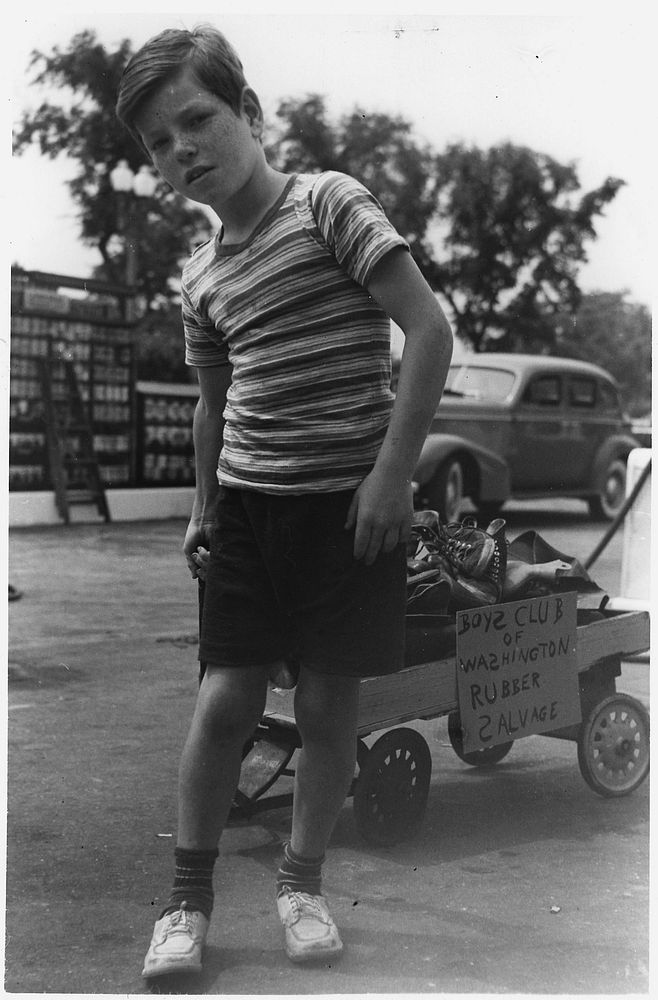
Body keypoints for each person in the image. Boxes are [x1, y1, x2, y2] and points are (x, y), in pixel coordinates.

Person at [115, 23, 453, 980]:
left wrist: (391, 477)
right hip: (251, 515)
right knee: (225, 701)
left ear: (250, 115)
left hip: (352, 513)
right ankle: (186, 904)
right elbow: (214, 408)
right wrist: (198, 509)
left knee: (327, 703)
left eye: (198, 119)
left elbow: (429, 331)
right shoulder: (203, 275)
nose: (182, 149)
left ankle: (302, 885)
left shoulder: (329, 205)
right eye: (158, 142)